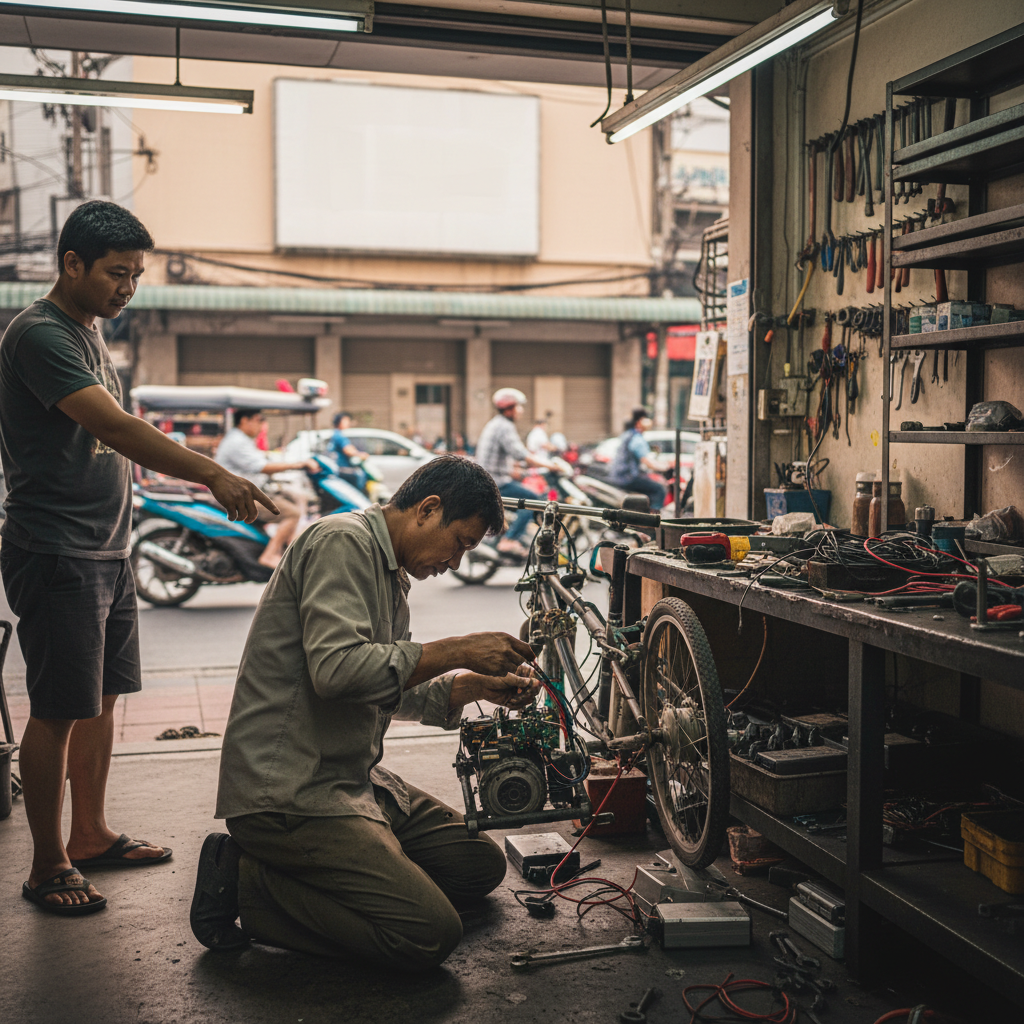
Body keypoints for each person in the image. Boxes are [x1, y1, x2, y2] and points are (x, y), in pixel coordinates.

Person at [0, 200, 275, 916]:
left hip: (108, 545)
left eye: (137, 275)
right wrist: (212, 472)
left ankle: (89, 834)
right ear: (72, 264)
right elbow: (114, 427)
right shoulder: (38, 335)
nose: (129, 288)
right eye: (118, 274)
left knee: (101, 699)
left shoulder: (89, 334)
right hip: (56, 546)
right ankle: (47, 862)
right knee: (58, 708)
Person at [189, 455, 539, 968]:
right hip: (290, 792)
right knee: (428, 935)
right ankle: (244, 881)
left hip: (350, 777)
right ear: (428, 508)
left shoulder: (391, 575)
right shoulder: (342, 541)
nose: (456, 562)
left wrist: (470, 685)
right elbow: (339, 673)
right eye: (460, 543)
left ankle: (359, 859)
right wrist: (459, 649)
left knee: (476, 868)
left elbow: (382, 682)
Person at [215, 409, 319, 569]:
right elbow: (262, 466)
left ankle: (289, 550)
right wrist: (298, 464)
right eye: (258, 420)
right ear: (244, 420)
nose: (261, 425)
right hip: (238, 496)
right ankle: (270, 555)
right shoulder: (237, 441)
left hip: (247, 491)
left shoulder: (242, 439)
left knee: (293, 497)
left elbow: (261, 459)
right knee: (292, 513)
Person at [475, 388, 557, 557]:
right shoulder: (504, 426)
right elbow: (521, 454)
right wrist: (552, 466)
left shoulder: (496, 424)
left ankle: (516, 535)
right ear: (509, 408)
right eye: (519, 407)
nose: (521, 411)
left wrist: (522, 471)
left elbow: (507, 458)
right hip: (496, 483)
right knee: (533, 500)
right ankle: (509, 540)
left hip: (492, 478)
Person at [607, 407, 666, 510]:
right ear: (639, 422)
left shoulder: (628, 434)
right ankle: (652, 519)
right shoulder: (637, 438)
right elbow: (647, 461)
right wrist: (665, 467)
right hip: (628, 477)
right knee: (659, 490)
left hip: (619, 475)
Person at [328, 410, 369, 494]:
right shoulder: (339, 435)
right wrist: (361, 454)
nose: (348, 423)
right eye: (345, 420)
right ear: (339, 421)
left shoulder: (336, 434)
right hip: (341, 467)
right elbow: (348, 450)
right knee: (360, 475)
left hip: (337, 467)